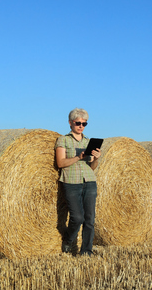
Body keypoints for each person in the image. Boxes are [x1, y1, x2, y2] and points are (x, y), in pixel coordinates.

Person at [55, 108, 101, 256]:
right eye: (78, 123)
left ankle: (86, 251)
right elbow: (60, 163)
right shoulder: (63, 140)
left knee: (90, 219)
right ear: (70, 123)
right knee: (77, 218)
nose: (81, 126)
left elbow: (92, 167)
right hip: (71, 182)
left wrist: (97, 158)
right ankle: (68, 239)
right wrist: (78, 157)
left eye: (84, 123)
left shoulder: (88, 141)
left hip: (89, 181)